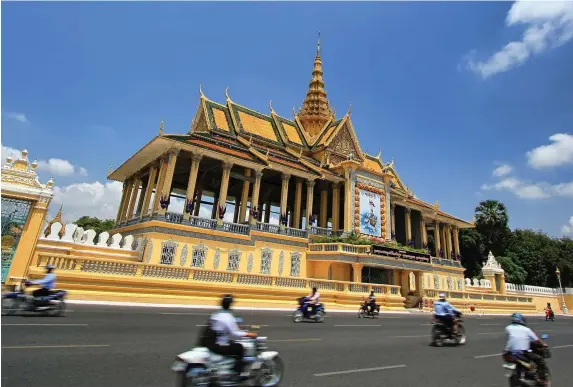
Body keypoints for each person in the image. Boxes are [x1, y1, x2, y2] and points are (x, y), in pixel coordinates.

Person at [208, 295, 257, 380]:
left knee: (232, 344)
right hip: (221, 345)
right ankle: (237, 373)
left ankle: (228, 367)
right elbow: (235, 333)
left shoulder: (215, 315)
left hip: (212, 343)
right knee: (240, 348)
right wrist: (249, 334)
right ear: (230, 305)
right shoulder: (228, 317)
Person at [503, 313, 548, 385]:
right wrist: (543, 344)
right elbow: (537, 340)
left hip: (508, 353)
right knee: (540, 360)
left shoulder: (508, 328)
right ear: (521, 320)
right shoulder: (527, 330)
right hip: (522, 353)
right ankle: (542, 379)